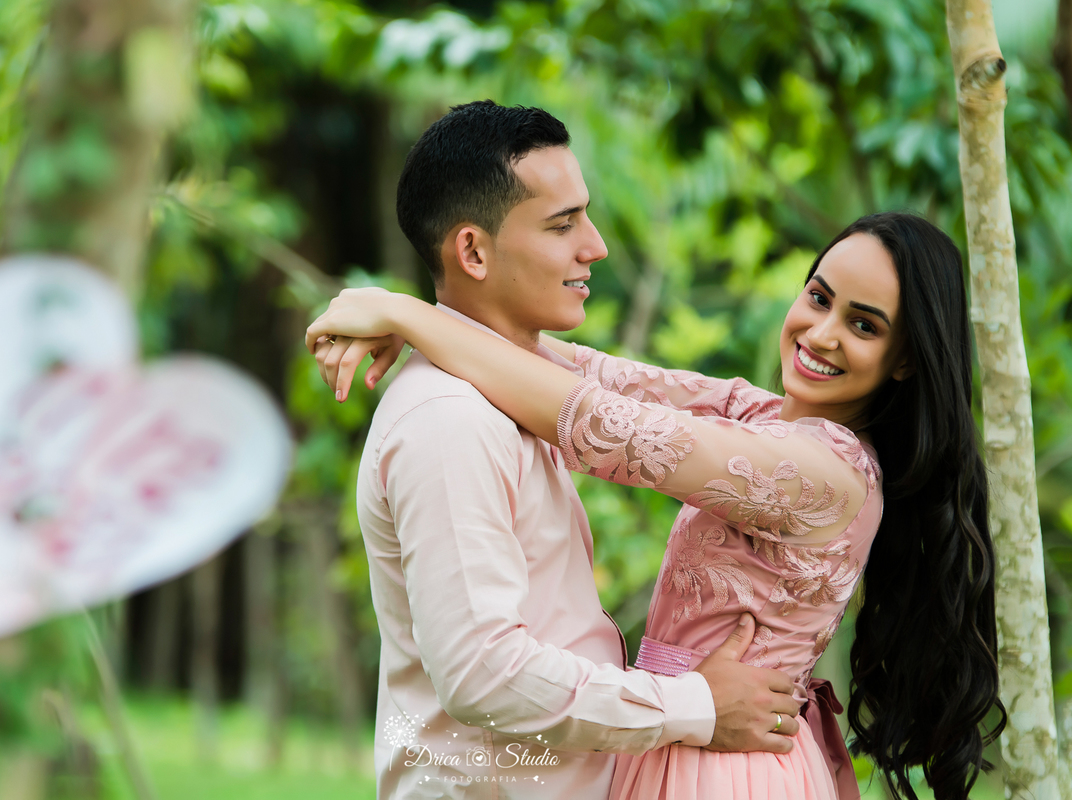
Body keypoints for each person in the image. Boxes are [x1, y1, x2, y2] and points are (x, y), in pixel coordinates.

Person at [307, 210, 1006, 800]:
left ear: (906, 360)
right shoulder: (763, 419)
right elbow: (594, 373)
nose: (822, 334)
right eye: (819, 299)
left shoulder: (822, 473)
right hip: (683, 731)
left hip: (725, 766)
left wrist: (401, 313)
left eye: (864, 325)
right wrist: (426, 319)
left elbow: (606, 427)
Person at [323, 100, 803, 800]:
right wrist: (695, 706)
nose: (596, 245)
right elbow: (482, 673)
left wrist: (409, 316)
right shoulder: (450, 421)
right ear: (474, 252)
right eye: (563, 224)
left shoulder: (518, 388)